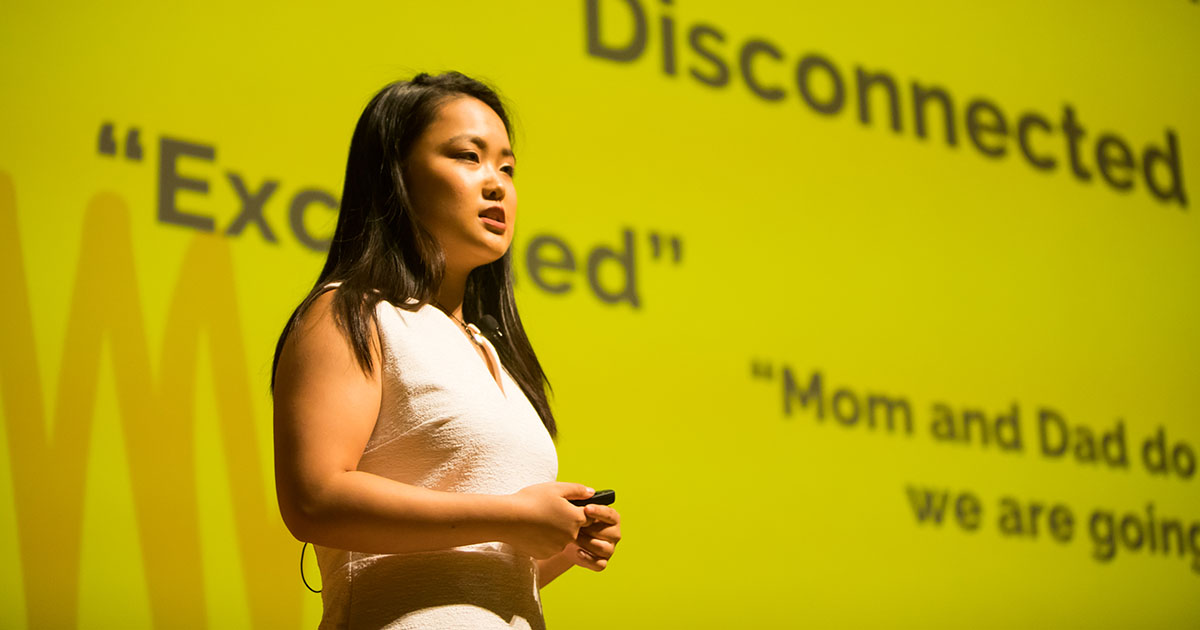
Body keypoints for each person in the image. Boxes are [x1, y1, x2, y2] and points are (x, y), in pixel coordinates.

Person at [270, 72, 622, 629]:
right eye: (467, 157)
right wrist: (511, 516)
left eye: (507, 168)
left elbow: (459, 571)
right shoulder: (351, 312)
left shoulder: (490, 349)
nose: (496, 184)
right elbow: (315, 498)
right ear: (396, 178)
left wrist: (557, 544)